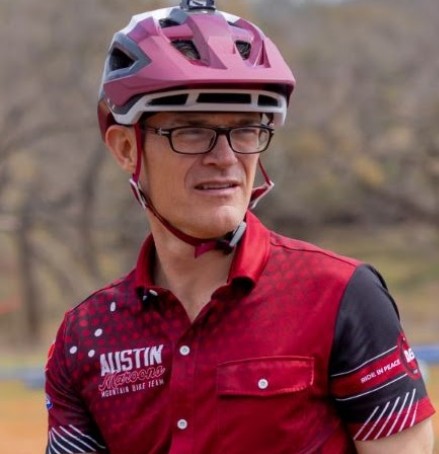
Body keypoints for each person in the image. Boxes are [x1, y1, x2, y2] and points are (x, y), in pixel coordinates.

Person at [45, 1, 435, 453]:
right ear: (126, 148)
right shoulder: (86, 336)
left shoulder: (341, 295)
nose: (226, 157)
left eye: (247, 129)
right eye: (191, 130)